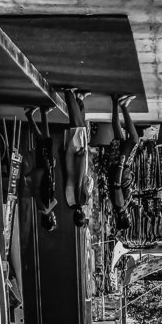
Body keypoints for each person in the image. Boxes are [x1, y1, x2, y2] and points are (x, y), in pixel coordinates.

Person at [107, 93, 139, 234]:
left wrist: (121, 164)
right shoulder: (118, 207)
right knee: (118, 133)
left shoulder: (120, 205)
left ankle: (123, 106)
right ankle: (115, 101)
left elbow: (117, 185)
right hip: (117, 166)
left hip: (121, 166)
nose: (129, 216)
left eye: (128, 219)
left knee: (134, 139)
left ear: (124, 218)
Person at [63, 87, 93, 227]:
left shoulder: (81, 201)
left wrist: (81, 158)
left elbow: (81, 180)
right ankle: (79, 99)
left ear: (81, 215)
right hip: (69, 161)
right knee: (78, 128)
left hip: (77, 159)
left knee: (78, 126)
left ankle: (68, 93)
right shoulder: (69, 202)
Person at [26, 106, 58, 232]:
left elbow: (53, 200)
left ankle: (42, 113)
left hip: (42, 170)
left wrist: (47, 169)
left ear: (49, 219)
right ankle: (33, 115)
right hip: (47, 170)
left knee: (45, 141)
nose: (55, 217)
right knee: (43, 141)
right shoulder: (45, 208)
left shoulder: (43, 208)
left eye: (54, 219)